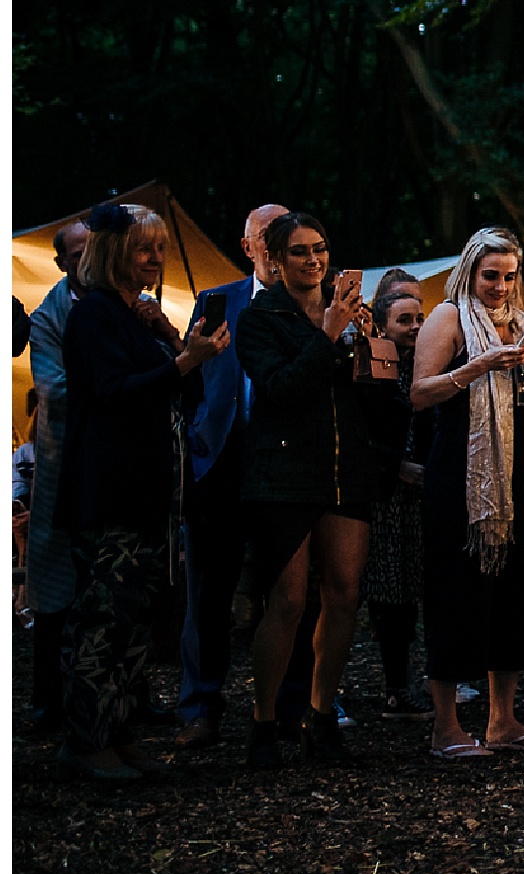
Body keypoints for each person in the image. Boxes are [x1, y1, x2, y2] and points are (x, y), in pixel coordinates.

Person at [55, 205, 231, 781]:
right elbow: (114, 393)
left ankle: (120, 732)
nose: (155, 259)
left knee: (133, 619)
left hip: (147, 490)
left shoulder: (138, 317)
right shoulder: (93, 317)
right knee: (103, 619)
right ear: (114, 255)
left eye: (158, 249)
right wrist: (182, 361)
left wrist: (178, 345)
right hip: (108, 490)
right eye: (142, 249)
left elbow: (179, 394)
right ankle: (84, 740)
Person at [237, 211, 407, 766]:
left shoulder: (351, 315)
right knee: (285, 600)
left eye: (320, 249)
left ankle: (320, 711)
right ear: (277, 261)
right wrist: (327, 335)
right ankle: (265, 721)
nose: (314, 260)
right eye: (300, 252)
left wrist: (371, 344)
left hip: (346, 471)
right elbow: (280, 390)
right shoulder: (262, 318)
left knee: (345, 595)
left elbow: (381, 401)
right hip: (284, 475)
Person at [409, 226, 524, 759]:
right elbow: (418, 393)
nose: (499, 286)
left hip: (516, 471)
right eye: (490, 276)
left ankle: (503, 720)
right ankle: (446, 726)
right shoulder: (449, 318)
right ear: (470, 273)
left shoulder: (521, 324)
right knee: (456, 590)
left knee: (516, 589)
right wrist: (475, 367)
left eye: (508, 276)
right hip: (460, 475)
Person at [23, 217, 89, 735]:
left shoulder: (132, 305)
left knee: (114, 585)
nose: (88, 258)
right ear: (62, 261)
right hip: (62, 463)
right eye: (79, 251)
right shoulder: (50, 315)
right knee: (53, 586)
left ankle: (122, 697)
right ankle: (47, 699)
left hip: (114, 468)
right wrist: (117, 385)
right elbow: (54, 388)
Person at [363, 288, 431, 717]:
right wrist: (397, 467)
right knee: (388, 592)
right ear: (383, 326)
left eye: (419, 318)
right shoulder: (370, 369)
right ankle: (394, 687)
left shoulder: (427, 364)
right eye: (404, 320)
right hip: (384, 494)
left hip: (421, 494)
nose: (415, 327)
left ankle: (413, 683)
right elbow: (362, 433)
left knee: (412, 591)